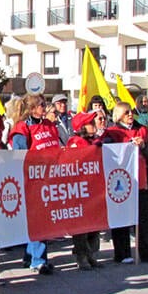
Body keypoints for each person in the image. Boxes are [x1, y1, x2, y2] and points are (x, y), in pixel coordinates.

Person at [8, 93, 62, 274]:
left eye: (45, 104)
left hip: (50, 178)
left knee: (42, 221)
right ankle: (38, 260)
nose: (44, 107)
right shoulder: (22, 128)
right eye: (41, 105)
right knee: (38, 221)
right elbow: (18, 154)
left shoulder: (49, 125)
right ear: (31, 109)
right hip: (33, 180)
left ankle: (31, 256)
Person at [105, 102, 148, 262]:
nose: (130, 115)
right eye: (126, 112)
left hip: (141, 179)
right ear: (118, 114)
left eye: (131, 112)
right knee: (121, 217)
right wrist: (127, 146)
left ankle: (147, 251)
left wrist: (143, 146)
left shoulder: (141, 129)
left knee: (144, 217)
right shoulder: (112, 132)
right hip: (121, 181)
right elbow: (108, 152)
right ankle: (122, 253)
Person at [66, 111, 103, 268]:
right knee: (81, 227)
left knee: (94, 225)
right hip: (80, 190)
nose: (94, 125)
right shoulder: (75, 142)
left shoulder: (94, 141)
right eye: (90, 123)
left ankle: (91, 254)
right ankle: (81, 256)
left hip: (93, 189)